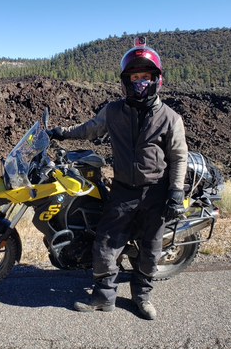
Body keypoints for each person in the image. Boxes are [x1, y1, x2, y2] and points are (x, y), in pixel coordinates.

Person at [48, 37, 188, 320]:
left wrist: (175, 192)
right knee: (105, 245)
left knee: (150, 250)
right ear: (125, 81)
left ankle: (142, 298)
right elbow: (89, 129)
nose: (140, 83)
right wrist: (60, 132)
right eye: (135, 77)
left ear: (156, 80)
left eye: (145, 77)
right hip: (123, 190)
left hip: (156, 193)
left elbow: (178, 157)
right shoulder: (113, 111)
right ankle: (103, 298)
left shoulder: (170, 118)